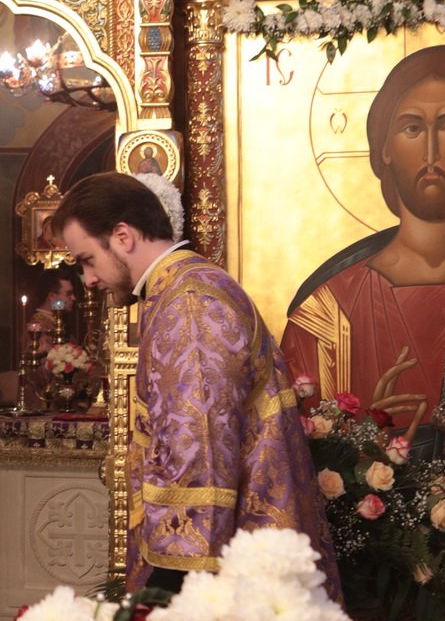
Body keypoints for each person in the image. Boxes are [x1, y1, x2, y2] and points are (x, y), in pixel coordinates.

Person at [59, 172, 339, 596]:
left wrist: (169, 584)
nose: (89, 279)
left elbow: (200, 448)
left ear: (122, 236)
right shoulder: (183, 288)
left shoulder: (189, 304)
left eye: (87, 260)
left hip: (229, 572)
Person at [282, 46, 445, 463]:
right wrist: (369, 440)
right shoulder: (327, 312)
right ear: (384, 147)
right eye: (412, 128)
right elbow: (295, 457)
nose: (431, 152)